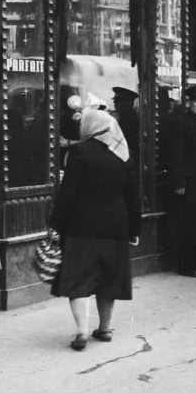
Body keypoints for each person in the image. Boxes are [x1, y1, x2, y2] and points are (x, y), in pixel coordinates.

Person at [50, 108, 141, 350]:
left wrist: (56, 224)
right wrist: (134, 229)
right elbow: (133, 196)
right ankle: (105, 328)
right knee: (108, 278)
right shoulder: (123, 153)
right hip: (116, 227)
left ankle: (81, 331)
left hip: (81, 227)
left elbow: (68, 193)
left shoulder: (80, 151)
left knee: (79, 279)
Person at [160, 84, 196, 277]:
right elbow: (175, 155)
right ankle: (186, 265)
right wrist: (179, 182)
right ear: (188, 103)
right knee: (188, 224)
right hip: (188, 182)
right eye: (195, 101)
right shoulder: (179, 123)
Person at [112, 86, 141, 165]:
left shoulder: (131, 120)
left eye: (119, 101)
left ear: (129, 102)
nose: (116, 105)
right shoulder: (122, 118)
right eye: (115, 101)